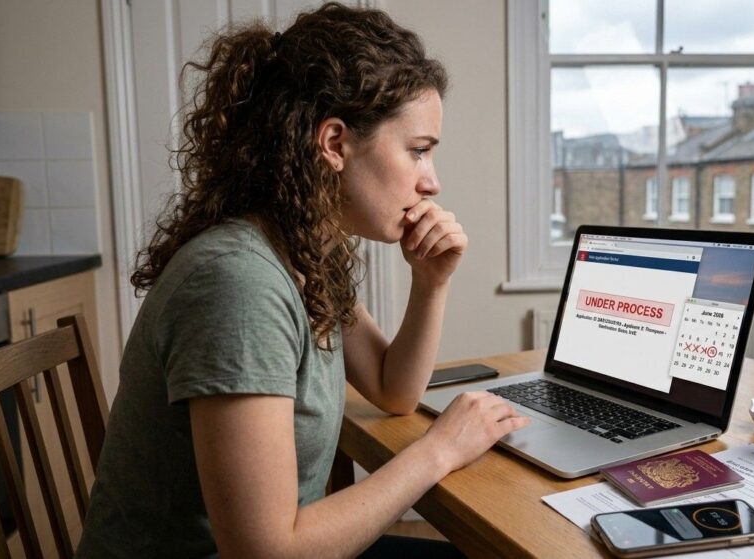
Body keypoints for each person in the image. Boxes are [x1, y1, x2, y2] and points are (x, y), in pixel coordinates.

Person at [76, 4, 530, 558]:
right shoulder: (239, 283)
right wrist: (438, 451)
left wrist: (431, 282)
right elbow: (266, 551)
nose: (431, 182)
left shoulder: (303, 252)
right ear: (334, 143)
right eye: (418, 151)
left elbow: (393, 389)